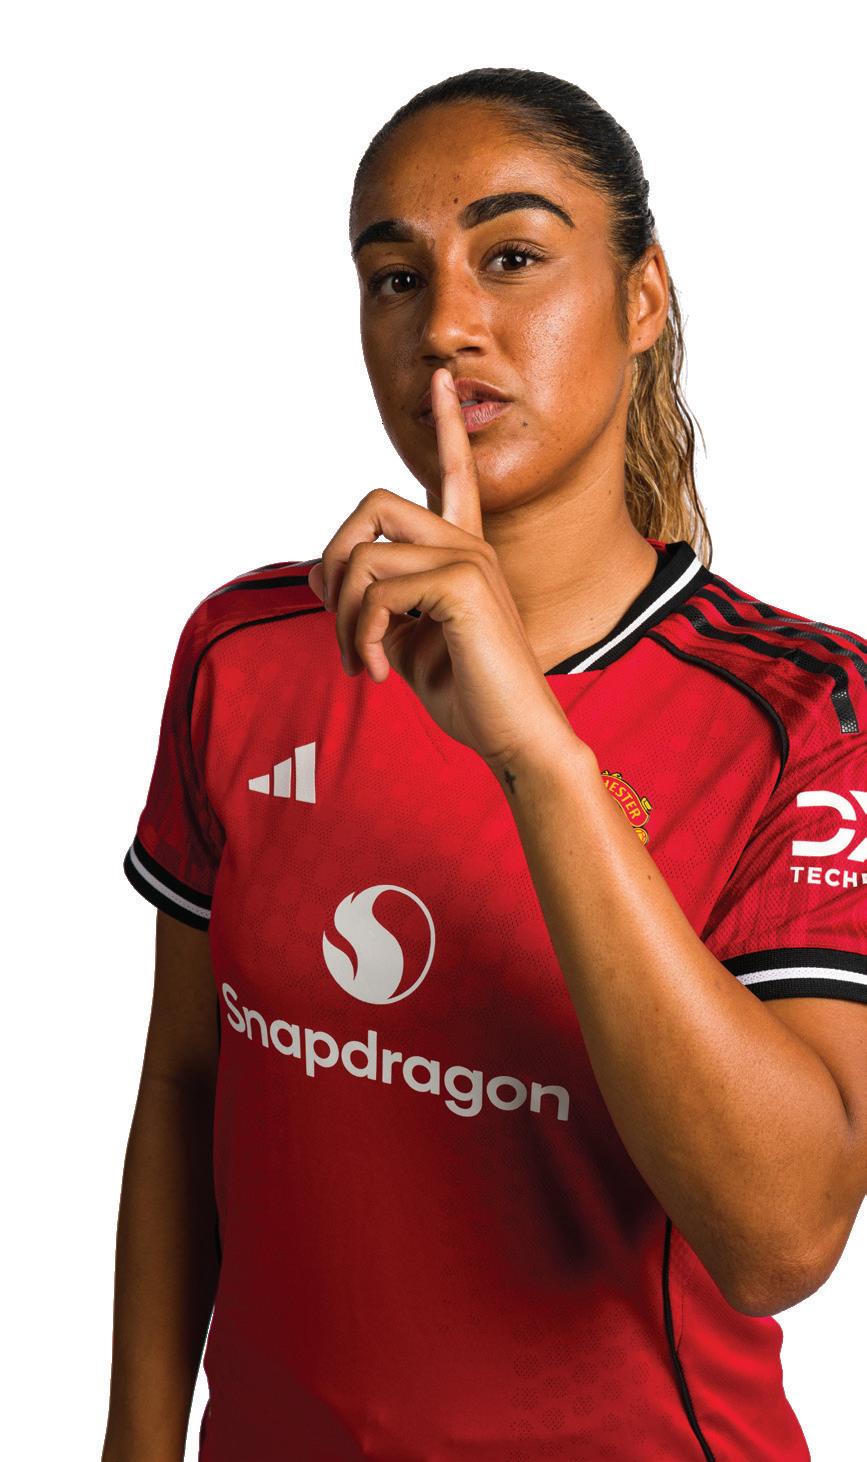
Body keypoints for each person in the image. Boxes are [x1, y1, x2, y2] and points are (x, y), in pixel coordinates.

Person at [102, 67, 867, 1462]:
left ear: (644, 297)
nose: (446, 324)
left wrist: (537, 757)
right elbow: (186, 1084)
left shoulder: (807, 711)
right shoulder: (245, 650)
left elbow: (780, 1238)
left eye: (511, 257)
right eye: (395, 279)